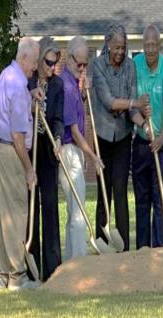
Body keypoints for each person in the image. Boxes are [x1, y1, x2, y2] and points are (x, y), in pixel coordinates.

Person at [90, 24, 149, 251]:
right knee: (104, 192)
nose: (120, 52)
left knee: (121, 189)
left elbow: (132, 109)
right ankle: (102, 244)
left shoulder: (131, 67)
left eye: (123, 48)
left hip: (124, 135)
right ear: (107, 44)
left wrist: (143, 123)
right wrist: (135, 103)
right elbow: (109, 101)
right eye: (116, 47)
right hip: (102, 136)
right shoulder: (97, 66)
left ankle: (123, 247)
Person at [0, 37, 40, 290]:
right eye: (35, 62)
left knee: (1, 213)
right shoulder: (19, 86)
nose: (36, 68)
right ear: (25, 58)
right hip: (11, 152)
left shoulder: (6, 75)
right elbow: (18, 136)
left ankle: (3, 275)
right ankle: (17, 277)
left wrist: (31, 95)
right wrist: (29, 170)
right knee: (16, 212)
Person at [59, 36, 104, 259]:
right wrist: (93, 155)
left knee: (74, 210)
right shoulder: (66, 86)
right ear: (69, 59)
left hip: (75, 151)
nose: (83, 68)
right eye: (80, 63)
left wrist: (84, 96)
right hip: (69, 150)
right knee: (77, 211)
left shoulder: (74, 83)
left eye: (86, 64)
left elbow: (80, 113)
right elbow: (75, 131)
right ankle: (77, 261)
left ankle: (71, 260)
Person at [132, 24, 163, 249]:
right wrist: (142, 120)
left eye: (153, 45)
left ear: (159, 46)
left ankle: (159, 249)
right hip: (141, 140)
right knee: (142, 199)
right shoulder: (135, 65)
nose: (149, 49)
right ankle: (142, 249)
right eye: (146, 45)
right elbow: (131, 106)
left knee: (160, 198)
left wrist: (161, 136)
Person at [26, 35, 64, 281]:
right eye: (48, 62)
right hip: (30, 151)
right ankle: (32, 268)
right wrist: (31, 103)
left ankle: (53, 270)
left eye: (55, 63)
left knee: (49, 206)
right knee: (32, 207)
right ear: (39, 60)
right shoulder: (27, 81)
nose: (52, 68)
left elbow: (59, 118)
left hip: (49, 152)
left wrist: (58, 138)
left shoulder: (58, 85)